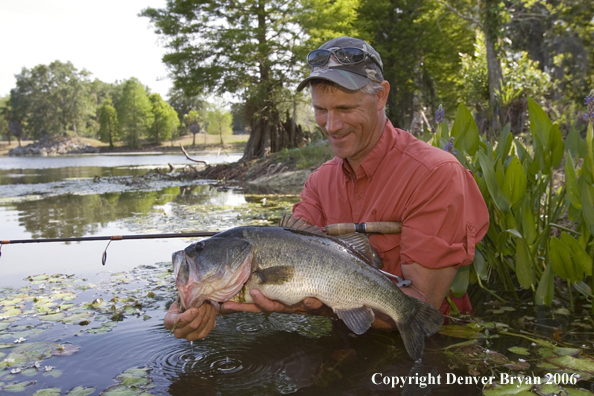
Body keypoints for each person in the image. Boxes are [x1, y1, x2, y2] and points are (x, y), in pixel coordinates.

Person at [164, 37, 489, 341]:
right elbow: (277, 262)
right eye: (321, 110)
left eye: (345, 109)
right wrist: (200, 302)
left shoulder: (436, 175)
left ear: (381, 96)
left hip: (440, 343)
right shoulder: (319, 182)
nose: (331, 126)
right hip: (346, 339)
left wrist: (304, 303)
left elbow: (423, 304)